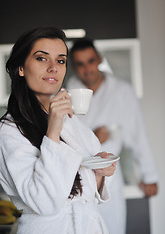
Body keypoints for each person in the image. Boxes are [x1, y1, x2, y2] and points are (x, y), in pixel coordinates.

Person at [0, 27, 118, 234]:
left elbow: (87, 191)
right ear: (21, 68)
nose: (54, 67)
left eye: (61, 60)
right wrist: (52, 132)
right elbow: (43, 202)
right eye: (41, 59)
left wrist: (100, 173)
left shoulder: (72, 123)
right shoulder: (9, 130)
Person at [66, 38, 159, 234]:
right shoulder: (68, 91)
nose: (87, 69)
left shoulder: (122, 92)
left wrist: (149, 176)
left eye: (91, 61)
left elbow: (138, 134)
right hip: (73, 178)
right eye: (80, 64)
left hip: (108, 178)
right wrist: (94, 137)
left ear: (99, 59)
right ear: (74, 66)